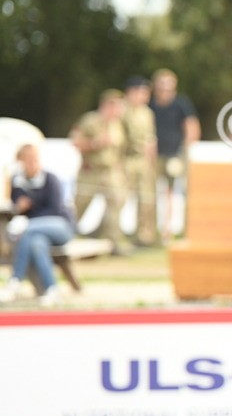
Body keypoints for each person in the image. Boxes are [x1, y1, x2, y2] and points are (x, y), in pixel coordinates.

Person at [0, 144, 75, 305]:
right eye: (27, 159)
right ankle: (52, 289)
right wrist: (19, 208)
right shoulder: (18, 183)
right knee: (37, 243)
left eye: (34, 159)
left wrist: (30, 216)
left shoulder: (50, 179)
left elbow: (56, 209)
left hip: (60, 226)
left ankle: (15, 280)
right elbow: (13, 210)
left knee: (25, 230)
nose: (32, 163)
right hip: (35, 232)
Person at [70, 89, 131, 253]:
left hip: (111, 170)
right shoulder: (89, 120)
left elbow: (121, 150)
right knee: (80, 203)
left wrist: (120, 169)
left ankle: (112, 241)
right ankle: (66, 234)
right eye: (117, 107)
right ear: (107, 105)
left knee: (116, 202)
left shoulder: (118, 125)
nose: (120, 111)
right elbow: (76, 142)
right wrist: (95, 143)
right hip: (91, 170)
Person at [149, 68, 199, 242]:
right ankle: (152, 231)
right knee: (152, 193)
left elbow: (192, 127)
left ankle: (171, 230)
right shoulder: (151, 105)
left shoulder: (181, 104)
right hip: (155, 156)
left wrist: (183, 151)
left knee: (173, 193)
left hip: (175, 155)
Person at [122, 76, 158, 246]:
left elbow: (151, 139)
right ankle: (111, 232)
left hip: (143, 161)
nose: (145, 96)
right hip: (126, 159)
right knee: (119, 197)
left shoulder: (147, 113)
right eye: (142, 92)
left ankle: (144, 235)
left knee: (146, 198)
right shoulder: (122, 110)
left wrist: (151, 161)